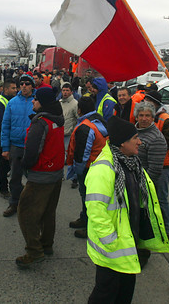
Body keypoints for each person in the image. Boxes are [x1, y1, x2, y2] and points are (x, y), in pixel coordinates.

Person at [85, 116, 169, 303]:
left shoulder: (132, 163)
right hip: (113, 249)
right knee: (105, 295)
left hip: (128, 243)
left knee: (124, 295)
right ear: (122, 143)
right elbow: (95, 210)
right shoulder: (103, 169)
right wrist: (111, 241)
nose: (140, 141)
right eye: (135, 138)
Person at [15, 87, 65, 268]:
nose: (33, 102)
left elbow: (32, 151)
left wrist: (25, 165)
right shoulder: (58, 120)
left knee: (26, 212)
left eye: (36, 99)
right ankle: (46, 244)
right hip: (56, 173)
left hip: (40, 176)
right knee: (48, 212)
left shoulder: (40, 122)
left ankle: (34, 251)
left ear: (42, 102)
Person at [66, 96, 108, 239]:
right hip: (100, 167)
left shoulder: (85, 127)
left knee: (89, 199)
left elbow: (82, 154)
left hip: (89, 169)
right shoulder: (99, 120)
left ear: (79, 110)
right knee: (90, 198)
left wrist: (77, 172)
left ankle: (89, 226)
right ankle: (84, 218)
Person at [1, 73, 36, 217]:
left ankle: (32, 204)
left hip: (31, 146)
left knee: (33, 178)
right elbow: (5, 126)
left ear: (32, 86)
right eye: (21, 84)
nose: (24, 86)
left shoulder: (37, 102)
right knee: (15, 177)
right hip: (16, 146)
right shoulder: (12, 103)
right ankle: (14, 202)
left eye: (27, 84)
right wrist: (5, 148)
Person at [144, 90, 169, 238]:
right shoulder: (147, 116)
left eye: (148, 101)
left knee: (161, 197)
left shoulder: (165, 119)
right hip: (150, 162)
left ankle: (167, 230)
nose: (145, 103)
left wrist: (154, 144)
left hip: (164, 164)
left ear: (155, 104)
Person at [0, 79, 17, 199]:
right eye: (13, 88)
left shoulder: (12, 100)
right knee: (4, 165)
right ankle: (3, 188)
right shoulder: (0, 103)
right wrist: (5, 141)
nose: (15, 90)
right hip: (3, 139)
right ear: (5, 89)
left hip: (11, 139)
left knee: (11, 164)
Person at [134, 101, 167, 184]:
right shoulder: (134, 131)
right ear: (136, 117)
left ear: (153, 118)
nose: (144, 119)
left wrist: (142, 185)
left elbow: (154, 171)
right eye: (141, 115)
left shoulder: (157, 139)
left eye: (147, 115)